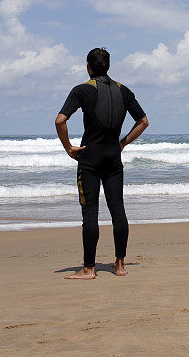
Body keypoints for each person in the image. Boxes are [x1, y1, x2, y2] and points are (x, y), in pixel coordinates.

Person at [56, 48, 149, 279]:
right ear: (108, 65)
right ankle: (119, 265)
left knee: (90, 212)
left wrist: (68, 148)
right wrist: (122, 143)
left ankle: (88, 269)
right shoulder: (123, 90)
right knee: (117, 209)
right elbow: (143, 121)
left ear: (88, 66)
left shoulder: (82, 90)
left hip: (89, 158)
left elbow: (60, 120)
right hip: (113, 158)